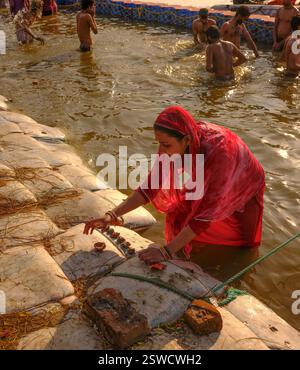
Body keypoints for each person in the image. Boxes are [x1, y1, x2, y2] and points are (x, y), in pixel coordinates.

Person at [83, 106, 265, 266]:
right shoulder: (175, 145)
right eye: (159, 144)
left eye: (166, 145)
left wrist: (165, 252)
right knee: (188, 210)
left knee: (241, 241)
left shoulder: (220, 155)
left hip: (243, 181)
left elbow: (204, 217)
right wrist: (111, 215)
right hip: (211, 168)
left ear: (186, 140)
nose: (161, 151)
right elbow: (149, 188)